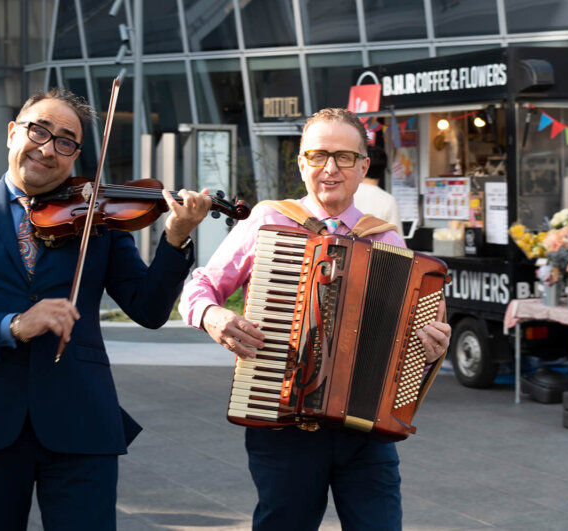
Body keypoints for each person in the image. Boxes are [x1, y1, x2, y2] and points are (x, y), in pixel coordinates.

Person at [0, 87, 212, 530]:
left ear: (76, 155)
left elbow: (148, 309)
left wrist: (176, 237)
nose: (48, 149)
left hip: (81, 418)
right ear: (14, 133)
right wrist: (13, 325)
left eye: (65, 141)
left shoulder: (97, 217)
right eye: (39, 131)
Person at [178, 108, 451, 530]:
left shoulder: (385, 238)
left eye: (344, 157)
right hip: (282, 422)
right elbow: (199, 288)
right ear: (302, 162)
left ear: (363, 166)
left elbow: (412, 338)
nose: (330, 168)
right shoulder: (267, 221)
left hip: (366, 430)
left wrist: (433, 343)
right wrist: (212, 316)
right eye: (318, 155)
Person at [352, 144, 403, 234]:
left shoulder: (348, 194)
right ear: (383, 169)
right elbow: (397, 241)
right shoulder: (388, 200)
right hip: (378, 248)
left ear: (362, 166)